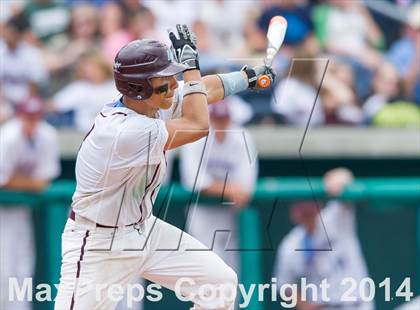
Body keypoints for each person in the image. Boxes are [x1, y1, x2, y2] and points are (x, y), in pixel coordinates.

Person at [54, 24, 275, 310]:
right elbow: (197, 124)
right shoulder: (124, 131)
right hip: (98, 242)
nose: (173, 85)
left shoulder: (149, 103)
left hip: (143, 229)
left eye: (172, 76)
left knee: (219, 283)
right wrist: (191, 65)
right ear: (138, 87)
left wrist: (247, 78)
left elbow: (202, 90)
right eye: (165, 80)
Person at [273, 168, 374, 310]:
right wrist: (305, 306)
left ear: (318, 203)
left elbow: (345, 177)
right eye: (300, 204)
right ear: (293, 212)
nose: (305, 209)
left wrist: (335, 179)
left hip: (356, 305)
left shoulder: (336, 218)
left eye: (308, 201)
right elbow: (285, 286)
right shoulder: (290, 245)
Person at [180, 99, 258, 272]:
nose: (221, 123)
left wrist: (231, 190)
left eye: (224, 119)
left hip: (231, 213)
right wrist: (228, 189)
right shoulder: (197, 136)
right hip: (203, 214)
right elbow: (193, 181)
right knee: (206, 268)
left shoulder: (241, 136)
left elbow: (246, 185)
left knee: (232, 270)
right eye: (217, 119)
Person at [0, 96, 61, 310]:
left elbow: (44, 179)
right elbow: (3, 179)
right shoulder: (8, 136)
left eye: (36, 117)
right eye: (28, 117)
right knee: (4, 267)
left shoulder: (47, 134)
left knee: (23, 265)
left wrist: (18, 181)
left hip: (21, 211)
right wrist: (28, 183)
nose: (32, 122)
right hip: (2, 212)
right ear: (19, 116)